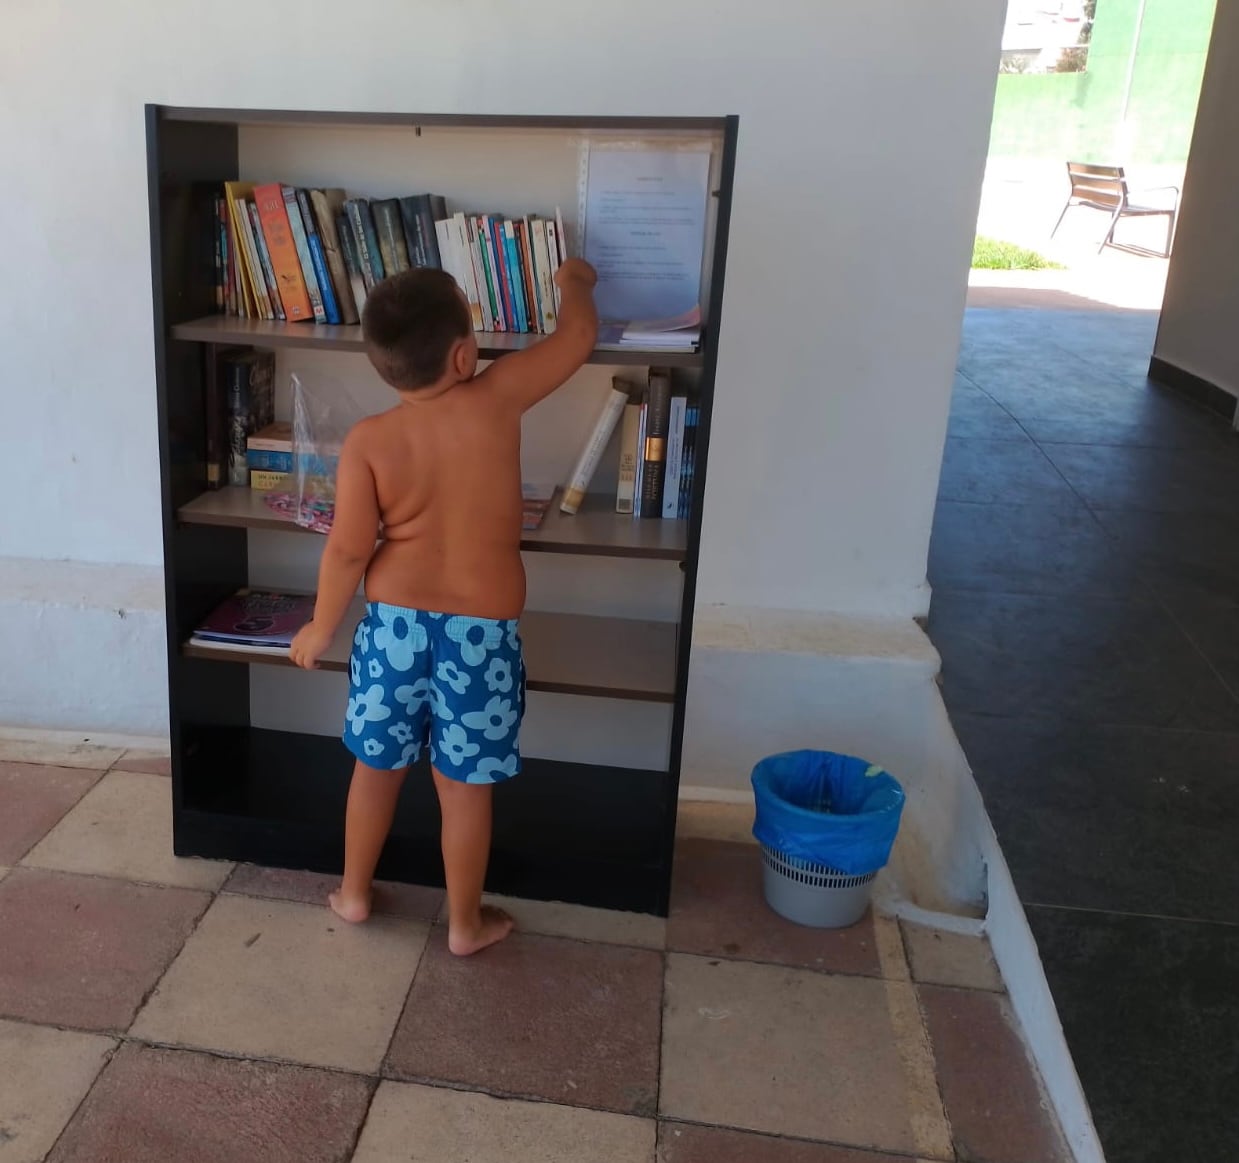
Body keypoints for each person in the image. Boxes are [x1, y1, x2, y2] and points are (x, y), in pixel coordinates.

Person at [289, 258, 599, 955]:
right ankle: (464, 925)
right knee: (463, 789)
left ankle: (355, 893)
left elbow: (345, 551)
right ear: (464, 355)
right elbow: (578, 337)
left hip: (392, 630)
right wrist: (573, 280)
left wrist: (319, 626)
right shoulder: (496, 397)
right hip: (481, 639)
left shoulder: (368, 441)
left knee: (375, 769)